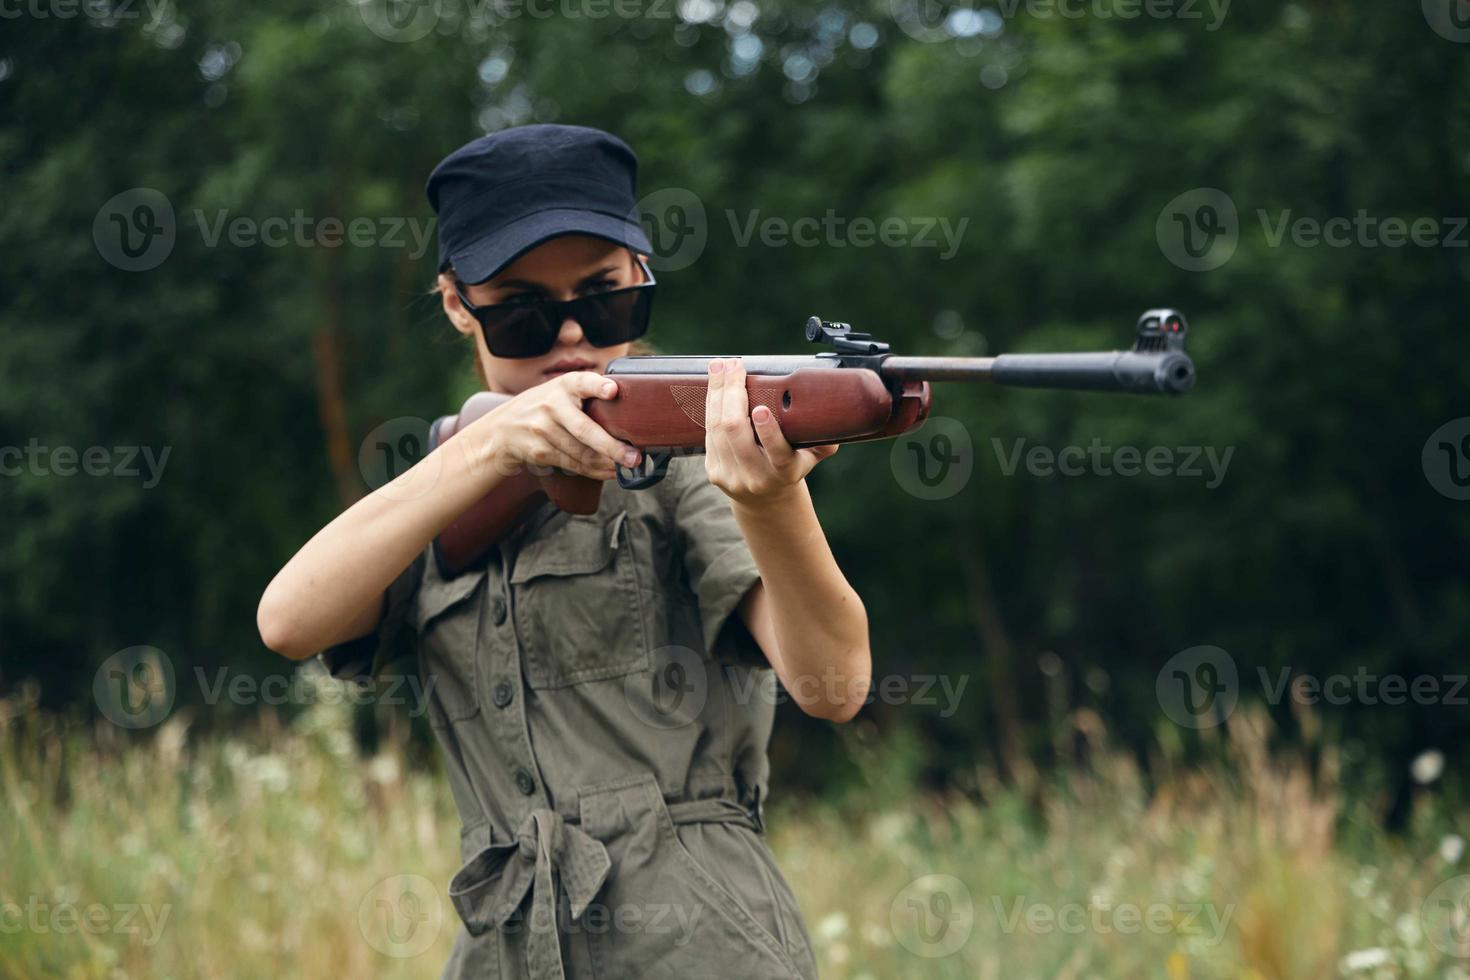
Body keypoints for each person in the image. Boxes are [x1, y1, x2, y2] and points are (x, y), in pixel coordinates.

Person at [257, 123, 871, 979]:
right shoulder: (441, 490)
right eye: (524, 314)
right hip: (506, 948)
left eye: (607, 299)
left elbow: (834, 683)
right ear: (455, 304)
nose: (574, 337)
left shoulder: (687, 464)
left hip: (699, 945)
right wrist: (487, 453)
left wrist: (774, 501)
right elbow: (288, 620)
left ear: (641, 283)